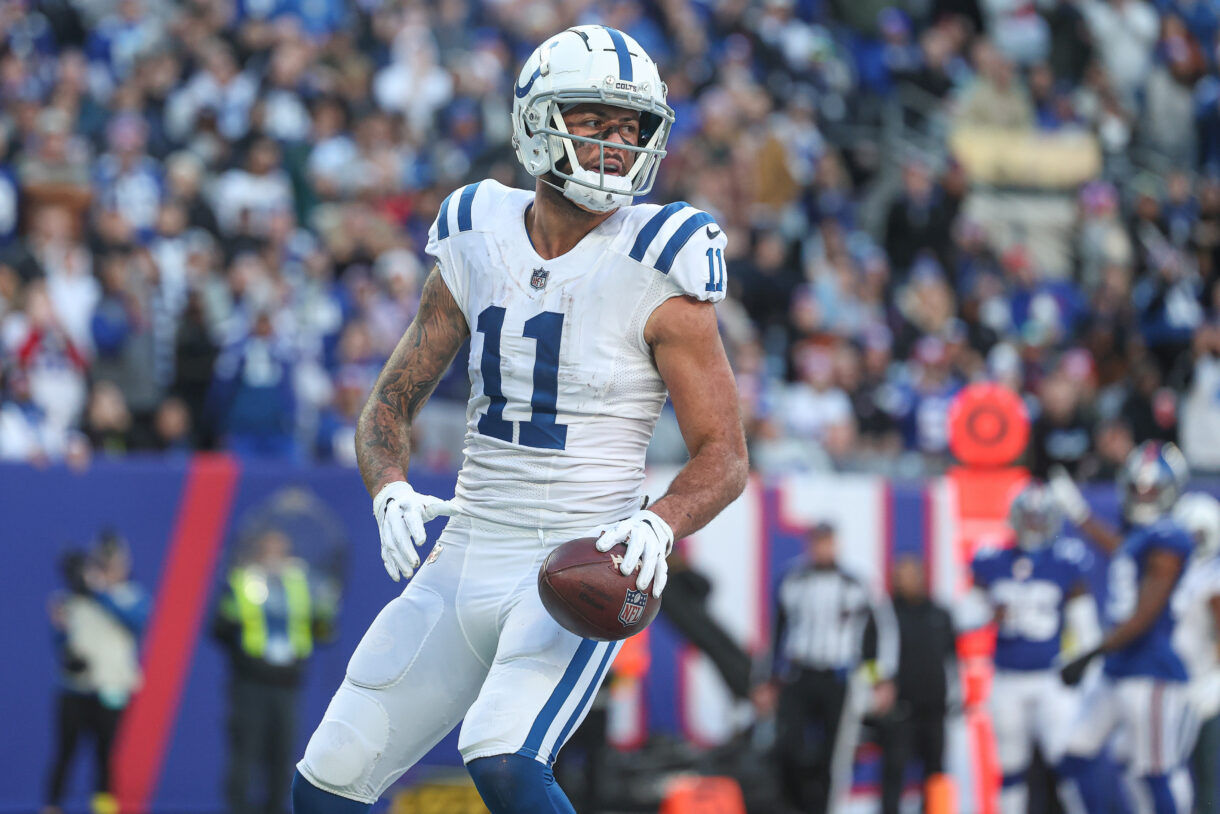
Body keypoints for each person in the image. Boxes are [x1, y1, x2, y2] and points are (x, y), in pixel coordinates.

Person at [291, 25, 749, 814]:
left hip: (574, 562)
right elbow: (390, 404)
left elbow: (725, 454)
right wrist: (389, 488)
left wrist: (659, 524)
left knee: (502, 756)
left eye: (632, 127)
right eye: (595, 120)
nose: (616, 143)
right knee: (328, 777)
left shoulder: (661, 258)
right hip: (465, 549)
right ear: (537, 120)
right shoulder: (477, 232)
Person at [1051, 442, 1197, 813]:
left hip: (1151, 672)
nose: (1143, 496)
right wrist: (1079, 514)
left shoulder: (1170, 537)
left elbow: (1145, 613)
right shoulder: (1140, 537)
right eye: (1137, 488)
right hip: (1119, 667)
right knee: (1075, 756)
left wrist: (1091, 654)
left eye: (1151, 489)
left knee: (1154, 773)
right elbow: (1120, 549)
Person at [960, 483, 1099, 814]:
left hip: (1052, 677)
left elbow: (1087, 628)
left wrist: (1084, 674)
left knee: (1067, 762)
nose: (1034, 525)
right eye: (1029, 518)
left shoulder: (1066, 560)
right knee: (1010, 767)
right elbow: (964, 615)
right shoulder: (993, 559)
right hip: (1007, 677)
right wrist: (988, 610)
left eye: (1040, 518)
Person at [753, 521, 898, 814]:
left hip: (839, 676)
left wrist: (878, 679)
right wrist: (768, 680)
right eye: (817, 543)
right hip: (799, 673)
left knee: (835, 754)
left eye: (827, 542)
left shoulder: (856, 580)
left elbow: (874, 636)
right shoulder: (793, 578)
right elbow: (777, 633)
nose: (822, 549)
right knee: (787, 746)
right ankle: (792, 806)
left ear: (836, 544)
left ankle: (824, 809)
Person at [213, 530, 336, 814]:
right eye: (268, 549)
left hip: (287, 682)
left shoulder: (302, 583)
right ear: (258, 551)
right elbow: (219, 628)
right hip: (250, 681)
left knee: (282, 755)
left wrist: (326, 610)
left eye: (280, 549)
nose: (274, 555)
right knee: (246, 752)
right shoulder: (242, 580)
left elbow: (320, 626)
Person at [43, 532, 148, 814]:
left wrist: (97, 593)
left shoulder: (131, 596)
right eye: (102, 562)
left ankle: (104, 807)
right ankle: (52, 807)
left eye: (114, 563)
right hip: (75, 688)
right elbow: (62, 642)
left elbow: (136, 622)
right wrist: (61, 631)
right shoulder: (72, 599)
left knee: (107, 754)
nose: (108, 568)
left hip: (112, 688)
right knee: (65, 752)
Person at [874, 556, 958, 814]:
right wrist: (878, 683)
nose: (905, 582)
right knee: (894, 772)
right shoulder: (885, 616)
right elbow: (868, 657)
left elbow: (952, 658)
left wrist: (954, 696)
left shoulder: (940, 614)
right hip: (901, 709)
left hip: (934, 708)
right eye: (900, 576)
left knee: (935, 775)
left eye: (910, 575)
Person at [1169, 493, 1220, 813]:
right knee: (1164, 773)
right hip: (1167, 683)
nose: (1192, 541)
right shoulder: (1165, 567)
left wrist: (1216, 678)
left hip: (1204, 684)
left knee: (1207, 778)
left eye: (1198, 534)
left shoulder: (1213, 574)